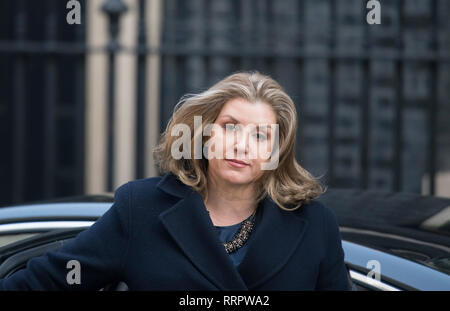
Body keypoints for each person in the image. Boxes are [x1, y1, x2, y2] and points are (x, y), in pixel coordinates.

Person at [0, 71, 351, 290]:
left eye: (260, 136)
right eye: (230, 127)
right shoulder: (142, 210)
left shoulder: (314, 225)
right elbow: (43, 282)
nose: (241, 145)